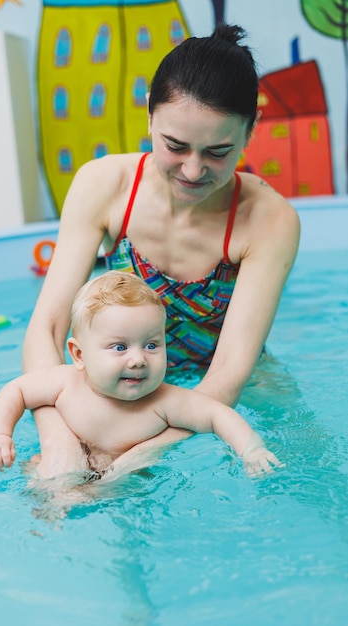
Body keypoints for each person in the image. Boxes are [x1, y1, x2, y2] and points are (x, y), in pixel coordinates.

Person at [22, 23, 300, 478]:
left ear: (250, 133)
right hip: (116, 377)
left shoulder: (269, 221)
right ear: (150, 114)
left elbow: (228, 373)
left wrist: (133, 454)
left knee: (297, 471)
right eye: (175, 146)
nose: (193, 170)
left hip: (230, 390)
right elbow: (48, 330)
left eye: (218, 152)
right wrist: (62, 436)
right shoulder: (104, 186)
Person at [0, 272, 282, 479]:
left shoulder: (164, 402)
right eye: (120, 347)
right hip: (65, 465)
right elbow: (15, 391)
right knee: (43, 481)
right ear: (79, 355)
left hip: (128, 484)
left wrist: (251, 449)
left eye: (152, 344)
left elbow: (218, 415)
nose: (138, 360)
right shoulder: (65, 383)